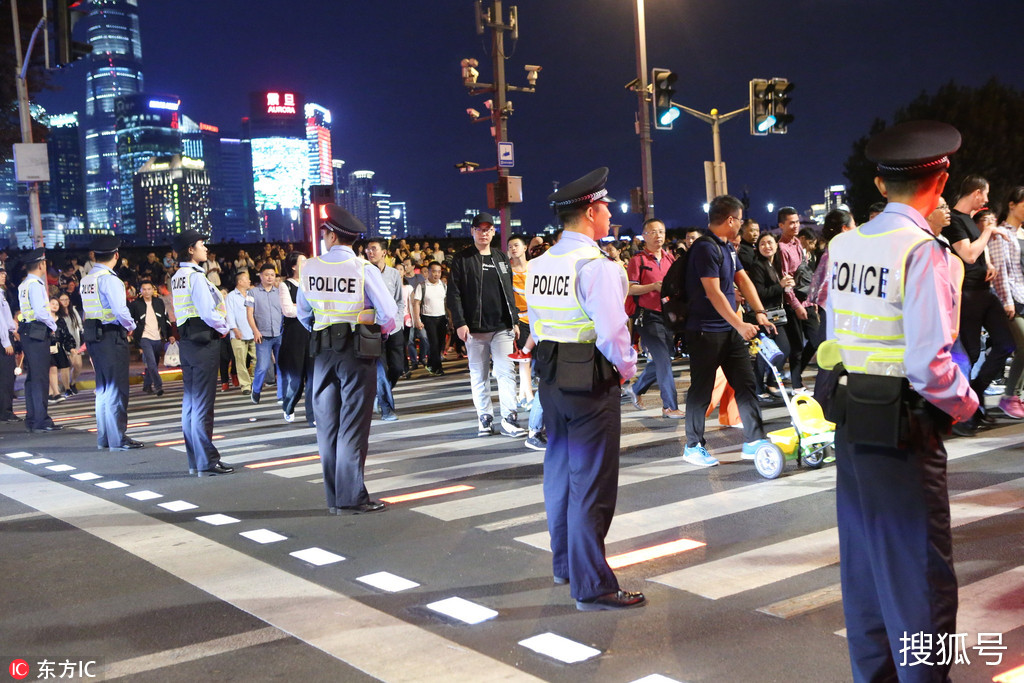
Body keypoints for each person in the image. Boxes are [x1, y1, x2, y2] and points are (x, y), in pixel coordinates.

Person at [825, 120, 977, 683]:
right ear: (940, 180)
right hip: (904, 425)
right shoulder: (922, 252)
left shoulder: (844, 244)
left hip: (853, 416)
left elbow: (834, 337)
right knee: (919, 577)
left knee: (864, 566)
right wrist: (966, 404)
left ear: (881, 184)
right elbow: (931, 366)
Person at [525, 167, 644, 610]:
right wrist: (628, 370)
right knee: (592, 485)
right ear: (592, 211)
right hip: (591, 381)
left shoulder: (538, 266)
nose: (611, 213)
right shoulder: (596, 267)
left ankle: (565, 565)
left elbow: (537, 326)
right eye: (607, 207)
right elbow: (614, 333)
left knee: (559, 474)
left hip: (552, 378)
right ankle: (593, 585)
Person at [296, 205, 398, 514]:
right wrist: (377, 330)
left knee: (327, 425)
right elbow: (390, 314)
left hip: (322, 351)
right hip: (356, 351)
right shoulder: (363, 268)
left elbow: (303, 314)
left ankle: (334, 498)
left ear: (329, 235)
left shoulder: (310, 268)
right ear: (351, 239)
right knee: (353, 425)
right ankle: (351, 497)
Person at [681, 196, 776, 467]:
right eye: (741, 219)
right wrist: (740, 324)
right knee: (702, 388)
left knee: (745, 383)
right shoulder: (705, 248)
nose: (743, 225)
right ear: (731, 220)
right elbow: (712, 292)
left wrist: (759, 313)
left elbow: (742, 279)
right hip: (704, 331)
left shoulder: (728, 248)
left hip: (729, 329)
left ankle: (754, 439)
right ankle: (693, 445)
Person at [942, 174, 1014, 433]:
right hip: (968, 294)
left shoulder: (968, 221)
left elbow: (977, 251)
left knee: (1006, 344)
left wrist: (990, 262)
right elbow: (968, 254)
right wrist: (987, 232)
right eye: (984, 194)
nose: (986, 199)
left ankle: (972, 397)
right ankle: (966, 412)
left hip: (985, 292)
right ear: (975, 193)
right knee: (970, 355)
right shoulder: (952, 220)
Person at [447, 212, 526, 437]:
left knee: (506, 373)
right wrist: (460, 323)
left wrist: (514, 319)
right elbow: (454, 294)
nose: (484, 233)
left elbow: (508, 292)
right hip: (474, 329)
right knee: (479, 375)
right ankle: (485, 417)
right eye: (479, 229)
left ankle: (510, 418)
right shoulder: (462, 259)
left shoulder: (501, 258)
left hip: (502, 327)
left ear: (493, 231)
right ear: (472, 231)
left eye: (488, 229)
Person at [171, 229, 234, 476]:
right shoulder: (195, 277)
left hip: (188, 343)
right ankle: (206, 460)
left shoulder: (178, 276)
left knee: (191, 403)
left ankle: (196, 460)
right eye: (201, 244)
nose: (205, 248)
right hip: (203, 342)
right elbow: (208, 312)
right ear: (190, 249)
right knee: (202, 405)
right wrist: (225, 327)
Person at [80, 236, 142, 450]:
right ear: (116, 255)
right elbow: (119, 310)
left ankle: (104, 437)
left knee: (104, 387)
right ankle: (118, 438)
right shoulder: (110, 279)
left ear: (94, 256)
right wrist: (131, 326)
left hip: (94, 335)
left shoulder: (86, 279)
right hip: (111, 335)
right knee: (117, 387)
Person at [623, 218, 685, 418]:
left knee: (663, 358)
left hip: (667, 316)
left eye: (661, 231)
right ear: (645, 236)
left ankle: (636, 388)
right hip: (647, 318)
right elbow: (630, 289)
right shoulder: (637, 260)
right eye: (653, 232)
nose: (658, 235)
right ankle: (669, 406)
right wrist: (653, 286)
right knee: (664, 360)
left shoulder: (670, 259)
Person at [18, 249, 62, 432]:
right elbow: (40, 311)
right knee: (40, 378)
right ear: (41, 264)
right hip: (37, 333)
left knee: (33, 378)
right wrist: (53, 325)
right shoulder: (35, 284)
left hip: (28, 333)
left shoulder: (24, 284)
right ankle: (41, 420)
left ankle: (33, 418)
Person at [746, 233, 793, 399]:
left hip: (777, 314)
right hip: (765, 315)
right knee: (768, 351)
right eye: (763, 244)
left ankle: (769, 383)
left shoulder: (778, 264)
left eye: (770, 243)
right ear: (758, 248)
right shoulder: (758, 265)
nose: (767, 246)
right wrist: (780, 286)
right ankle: (761, 386)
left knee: (778, 350)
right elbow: (759, 294)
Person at [990, 186, 1024, 418]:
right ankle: (1010, 396)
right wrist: (1007, 301)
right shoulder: (1001, 232)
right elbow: (1001, 271)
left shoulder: (1022, 233)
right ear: (1012, 204)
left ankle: (1014, 396)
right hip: (1012, 298)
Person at [364, 238, 405, 422]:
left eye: (374, 249)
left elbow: (398, 300)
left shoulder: (394, 274)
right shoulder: (363, 273)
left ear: (384, 252)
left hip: (394, 328)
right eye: (368, 249)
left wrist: (399, 321)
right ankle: (386, 408)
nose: (370, 252)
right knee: (380, 369)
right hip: (373, 329)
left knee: (397, 367)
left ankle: (378, 393)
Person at [775, 207, 811, 393]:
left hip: (808, 300)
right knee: (796, 345)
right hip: (793, 303)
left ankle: (795, 379)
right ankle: (796, 384)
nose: (796, 225)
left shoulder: (798, 243)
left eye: (797, 221)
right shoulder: (780, 248)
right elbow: (786, 280)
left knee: (816, 339)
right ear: (781, 225)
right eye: (791, 222)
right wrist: (796, 305)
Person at [279, 251, 313, 425]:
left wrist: (298, 306)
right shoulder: (286, 285)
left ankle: (312, 416)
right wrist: (306, 308)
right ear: (293, 266)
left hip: (312, 333)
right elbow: (288, 311)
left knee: (313, 376)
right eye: (303, 262)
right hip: (294, 336)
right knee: (298, 378)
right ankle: (289, 405)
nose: (306, 264)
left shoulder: (311, 283)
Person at [129, 280, 171, 396]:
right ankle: (158, 386)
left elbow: (165, 319)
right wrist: (134, 338)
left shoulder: (159, 302)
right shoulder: (135, 305)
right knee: (151, 363)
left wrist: (169, 334)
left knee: (154, 364)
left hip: (157, 337)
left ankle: (147, 385)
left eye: (149, 289)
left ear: (153, 290)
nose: (147, 292)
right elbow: (130, 321)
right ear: (141, 291)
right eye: (144, 289)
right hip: (144, 337)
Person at [413, 261, 448, 375]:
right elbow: (417, 303)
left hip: (442, 317)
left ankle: (431, 364)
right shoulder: (422, 286)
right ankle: (438, 368)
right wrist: (417, 319)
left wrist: (451, 318)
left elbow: (446, 303)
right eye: (434, 271)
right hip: (428, 318)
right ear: (428, 272)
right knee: (434, 343)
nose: (436, 274)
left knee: (440, 343)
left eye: (438, 272)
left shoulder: (443, 285)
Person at [225, 270, 256, 395]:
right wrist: (235, 329)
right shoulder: (231, 296)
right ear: (240, 282)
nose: (249, 281)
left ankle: (254, 381)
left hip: (253, 332)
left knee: (257, 358)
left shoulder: (251, 294)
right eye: (247, 279)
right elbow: (229, 314)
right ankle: (246, 386)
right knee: (241, 361)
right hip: (238, 334)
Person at [56, 293, 85, 396]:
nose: (65, 301)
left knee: (78, 365)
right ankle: (67, 387)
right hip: (64, 342)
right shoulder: (58, 313)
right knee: (66, 366)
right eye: (62, 299)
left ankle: (73, 383)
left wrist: (82, 334)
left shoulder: (73, 310)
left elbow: (79, 323)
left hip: (75, 340)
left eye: (66, 299)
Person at [0, 265, 19, 422]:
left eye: (3, 272)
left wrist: (13, 327)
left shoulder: (2, 294)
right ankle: (6, 411)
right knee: (6, 378)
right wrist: (6, 342)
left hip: (6, 336)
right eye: (0, 274)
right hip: (2, 340)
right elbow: (0, 321)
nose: (3, 275)